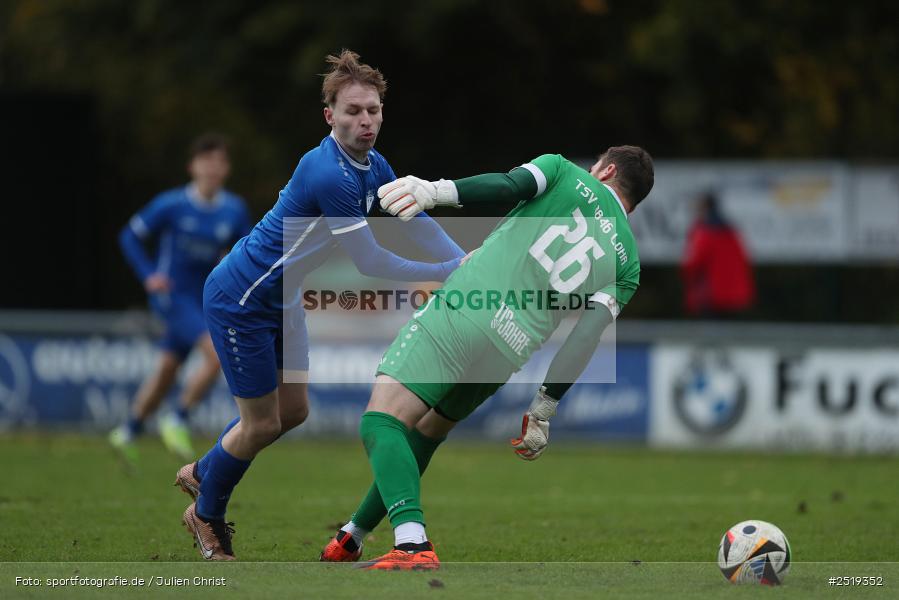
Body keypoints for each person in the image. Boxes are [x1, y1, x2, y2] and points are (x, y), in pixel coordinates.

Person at [174, 50, 466, 561]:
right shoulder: (327, 172)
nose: (366, 120)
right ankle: (207, 511)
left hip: (283, 298)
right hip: (242, 298)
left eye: (373, 110)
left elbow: (411, 216)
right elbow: (370, 260)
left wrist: (463, 260)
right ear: (329, 115)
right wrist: (444, 272)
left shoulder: (375, 163)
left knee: (293, 413)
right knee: (261, 424)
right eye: (353, 111)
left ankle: (204, 471)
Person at [319, 145, 654, 570]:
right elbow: (587, 335)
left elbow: (508, 184)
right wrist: (544, 407)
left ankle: (411, 543)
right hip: (510, 349)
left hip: (467, 310)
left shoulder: (563, 171)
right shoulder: (629, 265)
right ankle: (354, 534)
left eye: (597, 166)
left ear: (605, 170)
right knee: (425, 431)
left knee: (380, 421)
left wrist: (433, 192)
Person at [110, 133, 251, 465]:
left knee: (167, 370)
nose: (213, 169)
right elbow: (129, 236)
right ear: (193, 167)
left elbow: (245, 249)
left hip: (204, 300)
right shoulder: (171, 205)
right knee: (217, 355)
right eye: (207, 162)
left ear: (226, 169)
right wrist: (148, 275)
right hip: (172, 296)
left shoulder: (233, 209)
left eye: (220, 162)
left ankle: (128, 430)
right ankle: (178, 418)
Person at [681, 192, 755, 318]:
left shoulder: (703, 233)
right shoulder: (732, 232)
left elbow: (692, 265)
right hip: (736, 297)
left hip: (711, 298)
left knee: (711, 335)